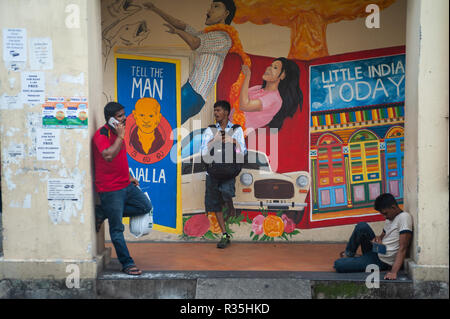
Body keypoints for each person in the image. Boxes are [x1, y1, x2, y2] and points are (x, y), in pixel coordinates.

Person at [143, 0, 236, 123]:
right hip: (191, 90)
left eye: (216, 7)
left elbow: (194, 43)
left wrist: (177, 32)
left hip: (193, 94)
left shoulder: (223, 38)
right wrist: (155, 8)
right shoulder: (207, 33)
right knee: (163, 123)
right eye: (210, 7)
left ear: (226, 13)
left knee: (163, 124)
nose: (209, 10)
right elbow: (181, 24)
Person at [93, 102, 152, 276]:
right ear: (110, 119)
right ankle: (127, 264)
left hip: (125, 184)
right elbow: (108, 155)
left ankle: (103, 212)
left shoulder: (119, 134)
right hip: (110, 189)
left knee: (145, 206)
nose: (124, 118)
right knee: (117, 229)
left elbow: (119, 158)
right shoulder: (101, 134)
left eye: (123, 115)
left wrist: (129, 176)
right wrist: (120, 136)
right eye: (120, 116)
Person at [334, 193, 413, 280]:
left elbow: (403, 248)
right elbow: (383, 235)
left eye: (385, 213)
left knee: (338, 264)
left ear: (393, 207)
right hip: (378, 250)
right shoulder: (390, 218)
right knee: (362, 226)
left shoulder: (404, 217)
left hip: (382, 260)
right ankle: (349, 255)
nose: (384, 217)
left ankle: (357, 259)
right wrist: (378, 239)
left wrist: (393, 272)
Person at [200, 100, 246, 248]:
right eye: (214, 111)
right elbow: (203, 152)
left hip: (228, 172)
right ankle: (225, 235)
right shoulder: (210, 130)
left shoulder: (237, 130)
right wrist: (215, 140)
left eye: (218, 110)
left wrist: (234, 142)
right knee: (215, 205)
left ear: (226, 112)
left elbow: (242, 153)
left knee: (226, 193)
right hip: (213, 172)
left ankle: (231, 205)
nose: (216, 113)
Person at [236, 57, 302, 131]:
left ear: (282, 75)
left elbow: (244, 106)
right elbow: (237, 98)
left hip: (236, 133)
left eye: (275, 67)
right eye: (270, 65)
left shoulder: (274, 99)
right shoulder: (258, 88)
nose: (269, 68)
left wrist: (247, 76)